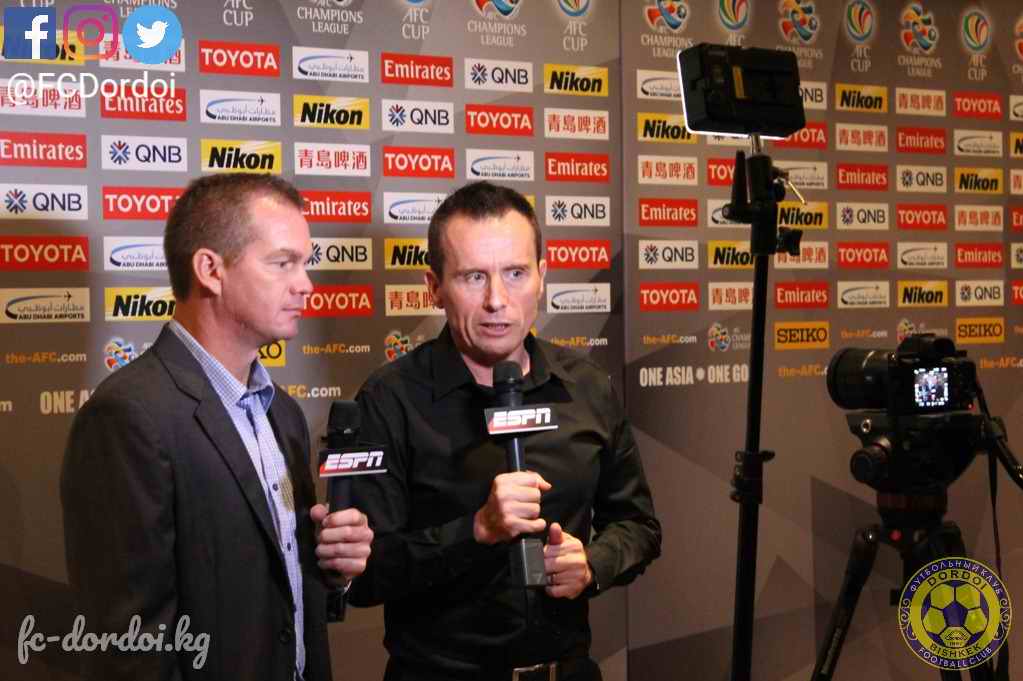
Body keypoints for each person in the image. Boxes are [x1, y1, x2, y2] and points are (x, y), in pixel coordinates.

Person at [61, 174, 373, 681]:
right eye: (283, 263)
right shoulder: (127, 417)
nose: (306, 284)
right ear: (210, 270)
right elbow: (130, 647)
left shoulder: (283, 414)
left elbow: (277, 596)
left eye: (305, 263)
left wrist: (331, 569)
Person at [348, 181, 661, 681]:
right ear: (434, 286)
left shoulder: (587, 388)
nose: (497, 300)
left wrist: (593, 564)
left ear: (542, 277)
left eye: (515, 273)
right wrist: (474, 531)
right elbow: (361, 577)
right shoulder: (389, 400)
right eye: (473, 277)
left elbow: (639, 526)